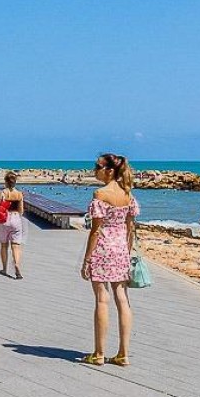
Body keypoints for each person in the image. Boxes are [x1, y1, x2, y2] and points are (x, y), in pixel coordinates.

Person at [80, 152, 139, 366]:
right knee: (122, 299)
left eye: (98, 166)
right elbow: (130, 228)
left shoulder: (100, 194)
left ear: (109, 170)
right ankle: (123, 353)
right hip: (121, 249)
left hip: (103, 249)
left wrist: (87, 259)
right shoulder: (127, 194)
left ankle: (99, 353)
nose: (94, 170)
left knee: (101, 299)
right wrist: (127, 252)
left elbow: (95, 230)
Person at [0, 171, 27, 279]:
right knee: (16, 246)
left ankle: (4, 269)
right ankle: (16, 265)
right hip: (16, 219)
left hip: (4, 219)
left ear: (5, 181)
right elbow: (21, 210)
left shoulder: (2, 192)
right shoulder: (19, 194)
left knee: (4, 245)